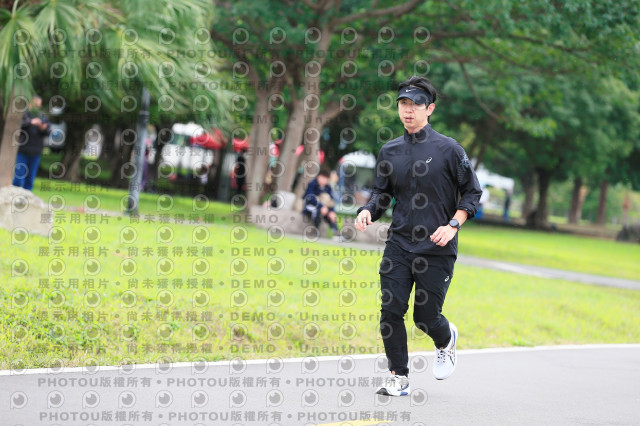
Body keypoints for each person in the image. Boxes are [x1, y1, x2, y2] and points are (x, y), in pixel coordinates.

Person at [355, 76, 482, 396]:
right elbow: (382, 194)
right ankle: (399, 376)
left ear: (430, 109)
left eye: (415, 104)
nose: (408, 110)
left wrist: (452, 225)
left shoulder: (449, 150)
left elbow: (472, 193)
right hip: (399, 244)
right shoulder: (390, 151)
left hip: (437, 246)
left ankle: (445, 339)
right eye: (403, 104)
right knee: (390, 311)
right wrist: (368, 210)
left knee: (425, 318)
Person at [13, 95, 50, 191]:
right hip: (23, 150)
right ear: (29, 104)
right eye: (35, 105)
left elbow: (48, 131)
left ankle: (26, 197)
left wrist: (43, 128)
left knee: (30, 179)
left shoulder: (42, 116)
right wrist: (31, 122)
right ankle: (14, 195)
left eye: (38, 105)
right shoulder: (24, 114)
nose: (37, 107)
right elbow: (19, 125)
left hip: (36, 151)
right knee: (18, 177)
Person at [302, 168, 340, 238]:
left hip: (324, 207)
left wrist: (332, 211)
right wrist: (321, 206)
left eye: (326, 179)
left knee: (330, 214)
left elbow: (331, 201)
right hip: (310, 206)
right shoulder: (312, 184)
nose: (324, 180)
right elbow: (310, 198)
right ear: (319, 177)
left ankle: (336, 232)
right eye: (323, 178)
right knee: (317, 211)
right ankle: (316, 230)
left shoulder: (328, 187)